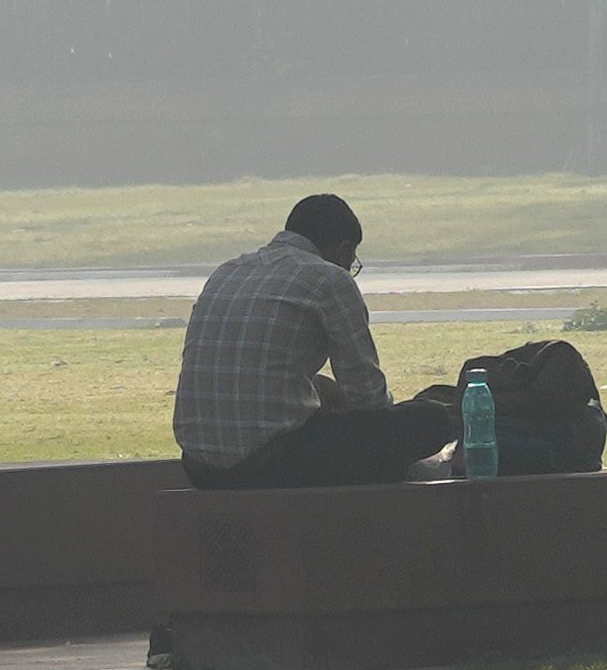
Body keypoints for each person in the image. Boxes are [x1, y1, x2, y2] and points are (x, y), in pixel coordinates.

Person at [174, 193, 447, 488]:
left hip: (200, 468)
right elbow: (367, 397)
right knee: (431, 419)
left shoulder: (227, 271)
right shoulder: (330, 279)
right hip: (269, 465)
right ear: (344, 250)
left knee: (324, 389)